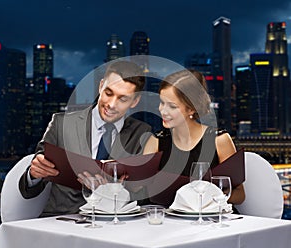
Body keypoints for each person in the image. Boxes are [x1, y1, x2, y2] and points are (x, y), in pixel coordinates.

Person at [19, 60, 152, 217]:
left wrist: (117, 191)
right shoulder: (61, 124)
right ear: (100, 86)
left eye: (123, 99)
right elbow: (27, 190)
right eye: (108, 93)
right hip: (61, 223)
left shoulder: (142, 133)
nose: (111, 104)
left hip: (114, 226)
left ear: (135, 101)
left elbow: (143, 196)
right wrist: (33, 175)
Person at [143, 69, 245, 208]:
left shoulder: (219, 140)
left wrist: (209, 196)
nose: (163, 110)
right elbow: (144, 190)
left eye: (172, 106)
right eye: (162, 102)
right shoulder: (156, 141)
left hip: (211, 222)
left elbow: (240, 195)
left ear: (191, 109)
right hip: (170, 223)